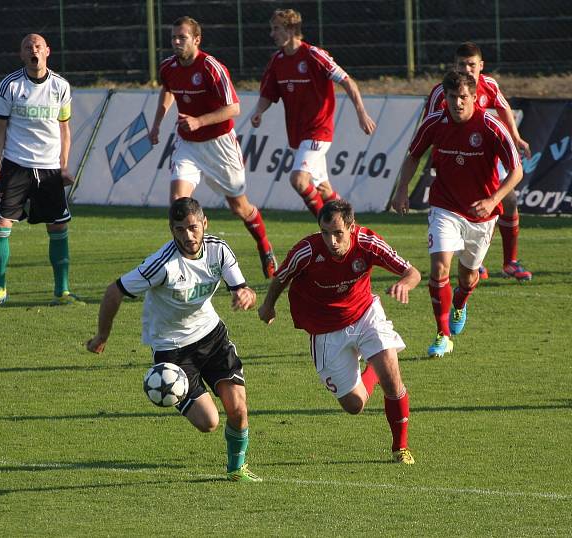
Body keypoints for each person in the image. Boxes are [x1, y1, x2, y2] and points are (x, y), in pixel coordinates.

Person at [87, 197, 262, 481]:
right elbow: (114, 291)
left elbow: (245, 290)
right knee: (209, 423)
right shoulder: (162, 265)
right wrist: (102, 336)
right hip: (173, 352)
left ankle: (236, 469)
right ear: (172, 230)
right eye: (180, 229)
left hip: (212, 337)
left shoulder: (218, 251)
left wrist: (246, 295)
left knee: (238, 408)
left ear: (204, 224)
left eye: (193, 227)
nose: (188, 236)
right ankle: (161, 380)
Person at [258, 199, 419, 464]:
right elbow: (282, 277)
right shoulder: (307, 251)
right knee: (354, 405)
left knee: (393, 379)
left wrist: (405, 283)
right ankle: (375, 370)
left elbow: (411, 272)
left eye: (337, 233)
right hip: (325, 331)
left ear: (352, 227)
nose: (331, 241)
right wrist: (268, 306)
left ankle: (400, 448)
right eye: (325, 233)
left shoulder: (367, 243)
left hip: (365, 314)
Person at [392, 71, 523, 357]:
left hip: (481, 214)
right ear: (446, 98)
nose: (458, 103)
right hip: (445, 207)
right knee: (440, 267)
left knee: (467, 276)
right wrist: (402, 189)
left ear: (475, 98)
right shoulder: (435, 122)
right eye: (453, 97)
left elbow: (516, 171)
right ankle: (442, 334)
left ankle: (460, 304)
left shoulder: (491, 125)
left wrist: (493, 200)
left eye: (464, 97)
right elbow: (413, 155)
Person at [149, 16, 277, 279]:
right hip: (187, 145)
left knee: (239, 208)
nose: (175, 42)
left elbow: (234, 108)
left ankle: (264, 247)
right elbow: (168, 89)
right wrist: (157, 124)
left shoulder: (211, 67)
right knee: (177, 202)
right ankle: (189, 263)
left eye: (181, 37)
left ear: (196, 39)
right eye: (173, 37)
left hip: (220, 146)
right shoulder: (168, 67)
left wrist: (199, 120)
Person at [0, 33, 81, 308]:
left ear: (47, 51)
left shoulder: (61, 86)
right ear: (21, 54)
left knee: (58, 225)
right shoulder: (9, 86)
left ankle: (62, 291)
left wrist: (63, 167)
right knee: (1, 224)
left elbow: (64, 129)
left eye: (37, 46)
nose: (33, 50)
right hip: (16, 165)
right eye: (28, 47)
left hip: (49, 169)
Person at [251, 9, 376, 219]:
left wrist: (361, 113)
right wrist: (259, 111)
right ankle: (351, 225)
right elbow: (268, 93)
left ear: (291, 29)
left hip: (318, 130)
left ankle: (327, 226)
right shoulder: (277, 61)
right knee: (324, 191)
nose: (272, 34)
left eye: (276, 29)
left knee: (298, 180)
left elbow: (347, 81)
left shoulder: (313, 55)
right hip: (298, 135)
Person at [424, 42, 531, 282]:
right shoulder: (442, 92)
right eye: (462, 64)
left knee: (509, 199)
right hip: (454, 162)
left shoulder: (489, 85)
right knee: (461, 208)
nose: (467, 69)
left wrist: (516, 138)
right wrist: (435, 156)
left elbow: (504, 109)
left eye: (471, 64)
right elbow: (429, 126)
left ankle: (509, 262)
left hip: (483, 157)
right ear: (455, 65)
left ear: (480, 66)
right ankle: (473, 263)